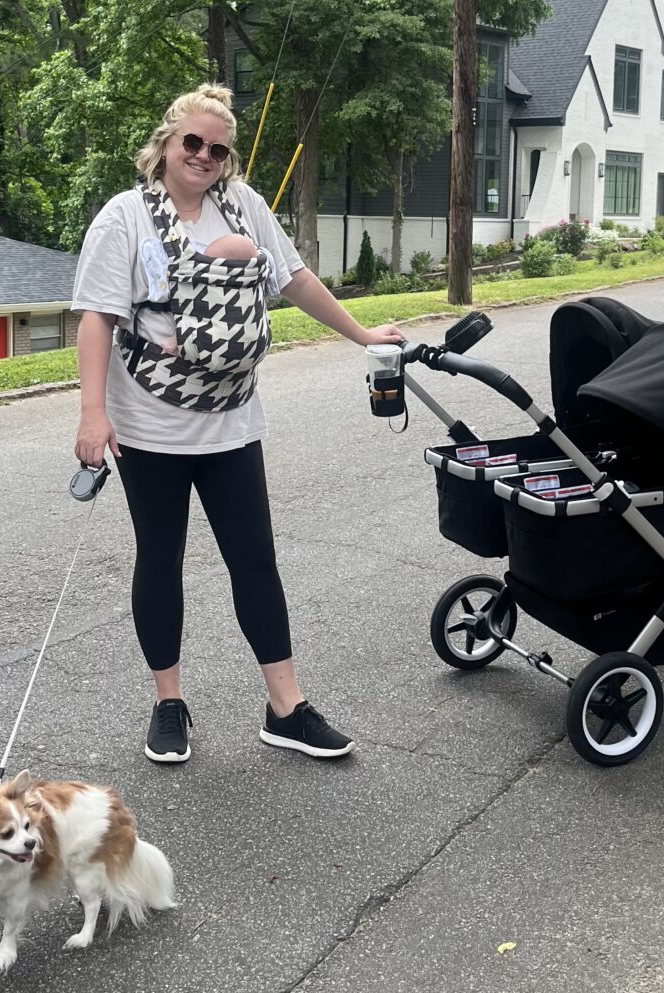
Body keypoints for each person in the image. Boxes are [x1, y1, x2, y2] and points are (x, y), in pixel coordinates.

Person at [71, 83, 404, 765]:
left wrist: (364, 334)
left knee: (255, 560)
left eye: (217, 149)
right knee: (159, 562)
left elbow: (295, 279)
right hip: (149, 426)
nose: (203, 156)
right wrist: (92, 413)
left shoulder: (243, 206)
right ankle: (169, 703)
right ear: (166, 144)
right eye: (191, 142)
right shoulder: (124, 218)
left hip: (231, 421)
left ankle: (286, 707)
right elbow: (97, 317)